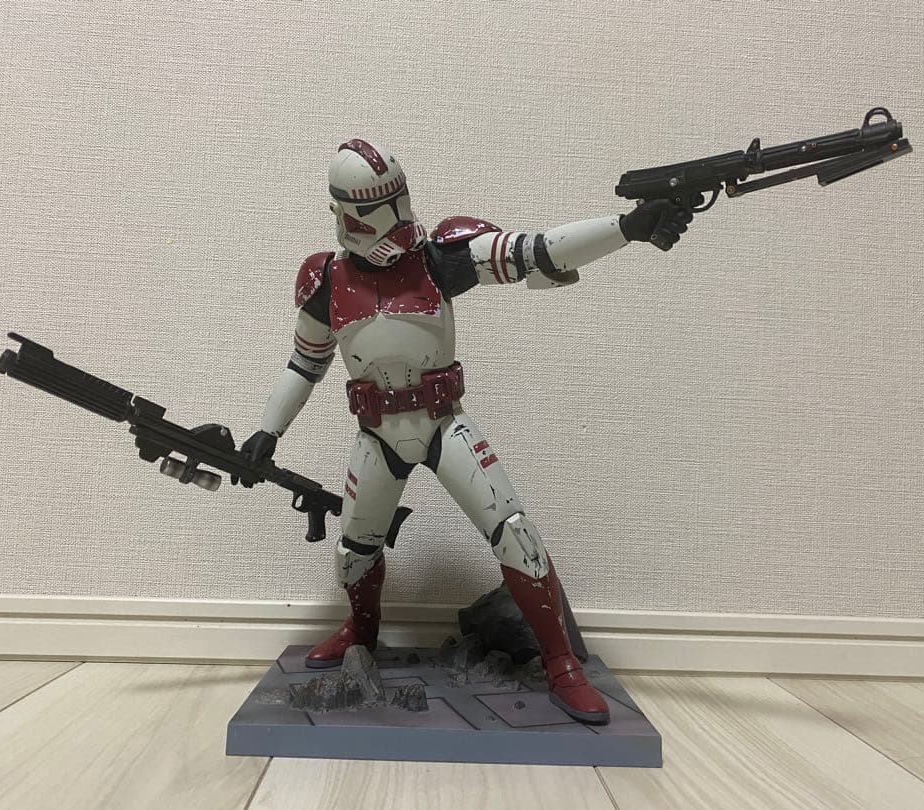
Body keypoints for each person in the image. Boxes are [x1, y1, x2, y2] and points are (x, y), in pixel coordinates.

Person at [235, 139, 692, 724]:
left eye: (398, 203)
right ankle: (361, 636)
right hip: (376, 433)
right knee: (353, 553)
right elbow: (304, 363)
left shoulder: (440, 257)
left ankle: (560, 662)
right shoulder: (324, 279)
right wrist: (267, 431)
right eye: (376, 211)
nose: (396, 223)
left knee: (515, 534)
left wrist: (627, 228)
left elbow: (538, 250)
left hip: (443, 423)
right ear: (345, 213)